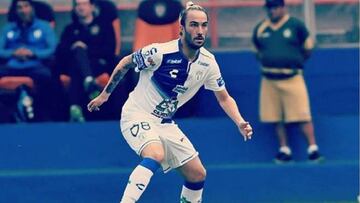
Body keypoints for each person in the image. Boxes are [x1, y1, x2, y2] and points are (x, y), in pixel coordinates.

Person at [87, 1, 253, 202]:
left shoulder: (208, 63)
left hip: (164, 123)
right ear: (181, 29)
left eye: (204, 25)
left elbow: (224, 97)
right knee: (155, 153)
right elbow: (126, 62)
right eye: (194, 25)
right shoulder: (160, 52)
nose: (200, 31)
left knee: (197, 174)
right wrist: (105, 95)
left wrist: (239, 121)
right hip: (137, 114)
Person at [252, 0, 323, 163]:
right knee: (274, 115)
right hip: (269, 79)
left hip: (292, 78)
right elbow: (257, 51)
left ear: (283, 8)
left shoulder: (296, 26)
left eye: (275, 8)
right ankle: (284, 150)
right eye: (269, 8)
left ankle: (313, 149)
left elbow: (308, 48)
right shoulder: (261, 28)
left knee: (302, 114)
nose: (272, 11)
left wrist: (293, 61)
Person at [56, 0, 117, 122]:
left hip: (99, 64)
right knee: (75, 62)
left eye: (84, 4)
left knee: (77, 61)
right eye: (78, 5)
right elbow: (60, 51)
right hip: (76, 67)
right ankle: (89, 82)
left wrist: (86, 49)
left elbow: (109, 49)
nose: (80, 7)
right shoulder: (70, 29)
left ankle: (74, 107)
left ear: (92, 7)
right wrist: (75, 48)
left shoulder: (104, 26)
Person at [0, 0, 57, 121]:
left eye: (26, 6)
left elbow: (52, 49)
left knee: (48, 77)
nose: (23, 10)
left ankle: (46, 117)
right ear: (15, 11)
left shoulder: (44, 27)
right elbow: (1, 50)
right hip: (12, 65)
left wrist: (33, 53)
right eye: (19, 7)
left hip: (35, 66)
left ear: (32, 8)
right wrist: (13, 53)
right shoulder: (8, 29)